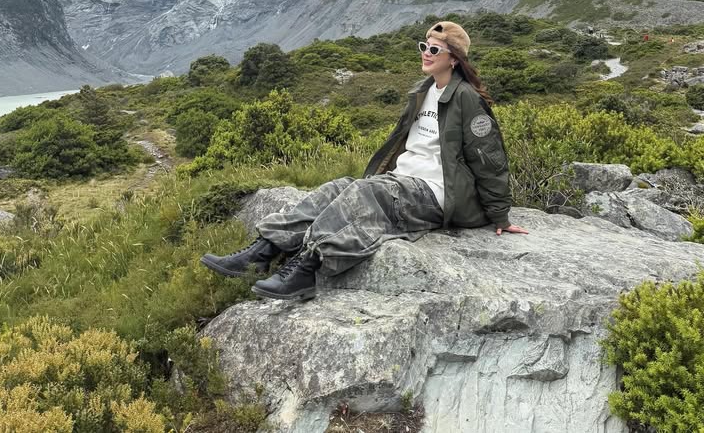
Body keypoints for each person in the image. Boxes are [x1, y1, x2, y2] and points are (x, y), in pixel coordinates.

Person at [200, 20, 527, 300]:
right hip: (406, 182)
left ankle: (308, 265)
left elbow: (490, 159)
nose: (426, 54)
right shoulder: (423, 91)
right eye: (424, 47)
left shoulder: (466, 98)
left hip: (438, 194)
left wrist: (499, 215)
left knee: (367, 193)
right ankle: (264, 250)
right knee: (340, 187)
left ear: (454, 59)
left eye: (434, 50)